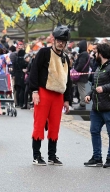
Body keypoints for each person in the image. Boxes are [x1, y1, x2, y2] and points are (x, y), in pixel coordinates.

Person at [29, 25, 71, 166]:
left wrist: (67, 99)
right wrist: (34, 91)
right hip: (44, 92)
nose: (61, 43)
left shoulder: (65, 58)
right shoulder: (44, 52)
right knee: (39, 123)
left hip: (58, 95)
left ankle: (52, 156)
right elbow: (34, 71)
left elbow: (67, 79)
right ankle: (36, 155)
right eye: (59, 40)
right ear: (54, 40)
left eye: (63, 41)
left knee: (55, 126)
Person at [83, 43, 110, 168]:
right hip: (97, 106)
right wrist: (90, 94)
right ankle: (97, 158)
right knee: (94, 131)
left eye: (96, 52)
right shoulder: (100, 67)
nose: (95, 54)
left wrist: (105, 88)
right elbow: (96, 86)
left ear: (101, 53)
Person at [73, 40, 90, 110]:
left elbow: (80, 65)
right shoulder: (86, 54)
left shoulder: (83, 54)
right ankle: (83, 103)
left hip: (81, 75)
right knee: (82, 89)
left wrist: (75, 70)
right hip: (84, 75)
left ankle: (83, 104)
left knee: (81, 90)